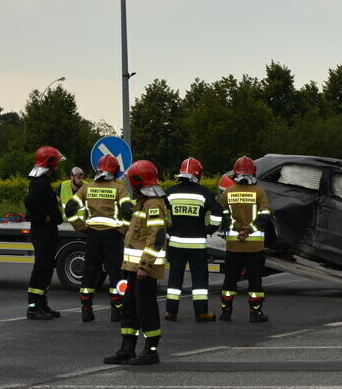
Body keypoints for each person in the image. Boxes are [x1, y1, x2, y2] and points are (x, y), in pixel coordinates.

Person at [103, 160, 169, 366]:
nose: (130, 184)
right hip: (133, 267)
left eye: (132, 180)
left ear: (139, 180)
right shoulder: (142, 201)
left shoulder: (154, 204)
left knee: (146, 310)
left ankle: (151, 350)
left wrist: (145, 266)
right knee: (129, 309)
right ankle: (127, 348)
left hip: (144, 269)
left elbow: (156, 237)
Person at [65, 155, 133, 322]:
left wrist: (81, 227)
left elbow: (69, 209)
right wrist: (123, 229)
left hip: (93, 235)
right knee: (115, 274)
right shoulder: (119, 188)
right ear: (115, 172)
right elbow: (128, 211)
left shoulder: (87, 188)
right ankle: (116, 311)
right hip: (113, 236)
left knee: (89, 273)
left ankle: (86, 310)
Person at [164, 157, 223, 322]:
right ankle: (201, 313)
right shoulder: (203, 192)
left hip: (176, 243)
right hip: (197, 245)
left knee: (175, 278)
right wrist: (209, 229)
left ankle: (170, 312)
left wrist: (168, 227)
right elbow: (217, 212)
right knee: (199, 280)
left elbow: (158, 209)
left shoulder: (170, 192)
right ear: (198, 174)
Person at [218, 156, 271, 322]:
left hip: (233, 246)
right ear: (253, 172)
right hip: (254, 248)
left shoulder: (228, 192)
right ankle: (255, 313)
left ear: (235, 173)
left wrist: (237, 228)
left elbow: (223, 216)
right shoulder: (259, 192)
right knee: (255, 281)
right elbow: (265, 215)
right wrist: (249, 230)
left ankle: (226, 312)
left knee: (230, 280)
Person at [23, 146, 65, 320]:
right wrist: (44, 217)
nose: (58, 167)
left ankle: (42, 304)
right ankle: (33, 308)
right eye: (56, 163)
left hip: (48, 231)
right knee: (41, 269)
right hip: (43, 231)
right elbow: (31, 201)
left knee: (46, 268)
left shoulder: (42, 180)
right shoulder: (39, 182)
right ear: (50, 163)